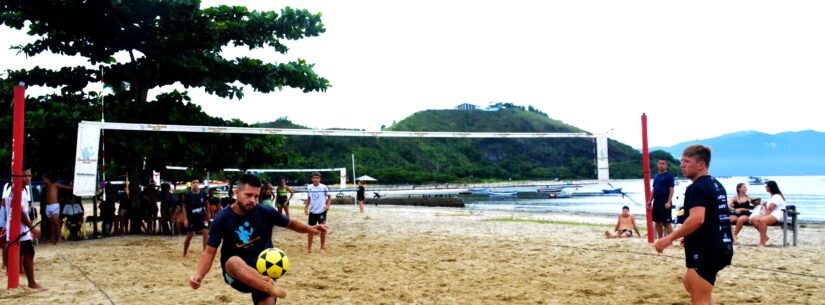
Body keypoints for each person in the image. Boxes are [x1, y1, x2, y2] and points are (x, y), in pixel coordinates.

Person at [189, 174, 328, 305]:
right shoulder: (222, 218)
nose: (253, 200)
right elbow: (209, 252)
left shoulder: (265, 212)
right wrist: (198, 276)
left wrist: (310, 229)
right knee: (233, 261)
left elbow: (290, 223)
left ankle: (266, 287)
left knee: (266, 294)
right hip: (237, 275)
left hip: (265, 271)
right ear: (237, 193)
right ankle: (268, 287)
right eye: (248, 195)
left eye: (256, 196)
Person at [655, 145, 733, 305]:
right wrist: (689, 235)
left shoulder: (696, 188)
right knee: (689, 282)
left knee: (699, 297)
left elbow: (697, 219)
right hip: (720, 245)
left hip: (708, 249)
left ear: (701, 165)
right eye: (681, 161)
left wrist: (671, 237)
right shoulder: (716, 184)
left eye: (686, 161)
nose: (682, 165)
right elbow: (717, 217)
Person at [2, 168, 45, 291]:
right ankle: (30, 283)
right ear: (18, 177)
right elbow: (19, 212)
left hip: (20, 228)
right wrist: (32, 228)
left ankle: (26, 281)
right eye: (25, 176)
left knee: (26, 253)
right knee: (25, 253)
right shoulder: (15, 190)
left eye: (29, 176)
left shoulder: (23, 189)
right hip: (18, 229)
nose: (28, 178)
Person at [750, 180, 786, 247]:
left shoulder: (777, 196)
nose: (765, 188)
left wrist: (764, 216)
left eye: (766, 186)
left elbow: (771, 208)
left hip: (778, 215)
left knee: (762, 220)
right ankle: (765, 237)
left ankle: (762, 242)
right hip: (772, 214)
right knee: (753, 219)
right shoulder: (772, 197)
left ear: (770, 187)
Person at [304, 172, 331, 254]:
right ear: (312, 179)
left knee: (323, 229)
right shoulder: (309, 187)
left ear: (320, 179)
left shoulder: (324, 187)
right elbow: (309, 198)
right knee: (310, 230)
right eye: (314, 178)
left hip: (322, 211)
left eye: (317, 178)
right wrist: (305, 208)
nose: (315, 179)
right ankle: (309, 248)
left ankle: (322, 247)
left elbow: (329, 197)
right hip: (312, 211)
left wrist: (327, 205)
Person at [648, 159, 675, 240]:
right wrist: (650, 200)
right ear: (657, 165)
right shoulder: (656, 176)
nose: (661, 165)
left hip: (665, 202)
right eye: (659, 163)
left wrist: (669, 202)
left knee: (667, 223)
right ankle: (660, 239)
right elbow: (654, 189)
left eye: (663, 163)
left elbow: (671, 189)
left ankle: (671, 240)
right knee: (658, 222)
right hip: (657, 202)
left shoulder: (669, 176)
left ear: (666, 165)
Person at [42, 174, 73, 244]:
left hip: (54, 206)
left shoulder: (55, 185)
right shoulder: (46, 187)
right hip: (48, 206)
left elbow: (65, 187)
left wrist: (73, 188)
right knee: (51, 223)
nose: (43, 180)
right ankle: (52, 237)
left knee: (56, 223)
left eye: (44, 179)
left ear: (48, 179)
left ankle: (59, 238)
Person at [183, 179, 208, 257]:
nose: (195, 184)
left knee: (205, 232)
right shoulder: (187, 195)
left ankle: (205, 252)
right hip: (191, 218)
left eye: (197, 183)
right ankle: (185, 252)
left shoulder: (203, 193)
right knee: (189, 235)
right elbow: (184, 207)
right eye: (193, 183)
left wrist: (208, 215)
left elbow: (206, 204)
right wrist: (185, 219)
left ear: (199, 184)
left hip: (201, 217)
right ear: (191, 184)